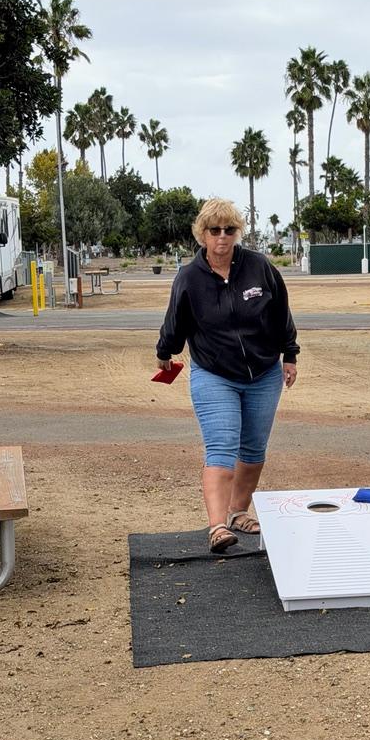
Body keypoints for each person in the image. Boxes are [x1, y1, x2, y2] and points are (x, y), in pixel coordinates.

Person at [156, 198, 299, 553]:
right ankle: (218, 526)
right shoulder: (189, 278)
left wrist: (290, 355)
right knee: (221, 447)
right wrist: (165, 352)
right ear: (202, 234)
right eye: (214, 230)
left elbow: (281, 311)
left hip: (264, 373)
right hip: (214, 373)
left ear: (238, 233)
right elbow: (175, 321)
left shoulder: (259, 267)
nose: (222, 237)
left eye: (229, 230)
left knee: (253, 448)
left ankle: (238, 512)